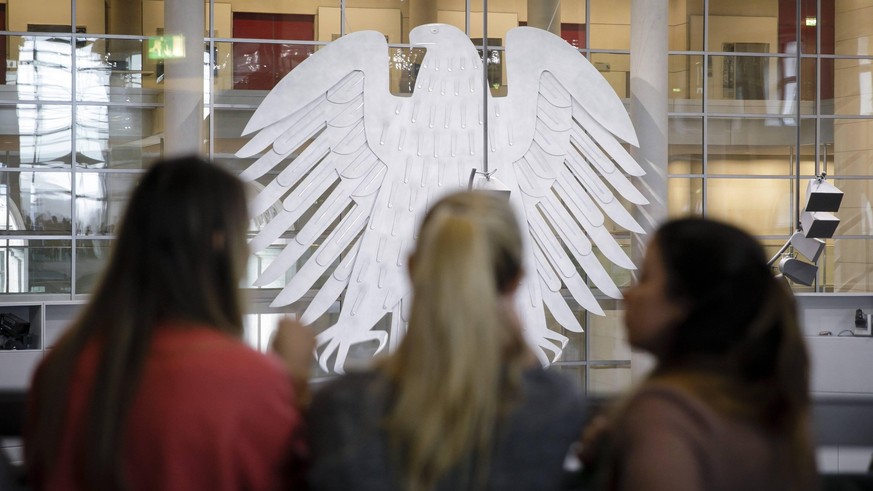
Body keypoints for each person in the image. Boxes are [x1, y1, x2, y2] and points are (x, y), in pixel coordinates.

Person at [25, 156, 314, 491]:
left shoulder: (60, 367)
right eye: (242, 237)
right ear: (219, 243)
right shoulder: (251, 380)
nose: (248, 252)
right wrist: (293, 380)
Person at [306, 190, 586, 491]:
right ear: (516, 279)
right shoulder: (555, 406)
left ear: (413, 269)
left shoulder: (343, 409)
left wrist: (292, 382)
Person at [582, 217, 817, 491]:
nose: (627, 295)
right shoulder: (769, 408)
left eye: (645, 278)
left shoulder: (665, 415)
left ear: (685, 302)